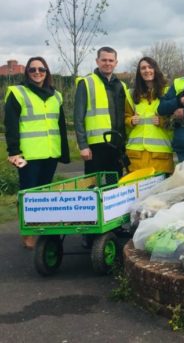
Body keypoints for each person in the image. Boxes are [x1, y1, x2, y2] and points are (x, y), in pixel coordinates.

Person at [4, 57, 69, 249]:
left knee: (43, 192)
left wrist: (63, 152)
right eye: (32, 69)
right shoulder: (17, 93)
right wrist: (13, 151)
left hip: (50, 153)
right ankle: (28, 232)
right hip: (27, 155)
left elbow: (61, 125)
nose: (37, 72)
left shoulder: (56, 95)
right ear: (27, 72)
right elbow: (11, 125)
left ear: (47, 72)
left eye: (41, 69)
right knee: (28, 194)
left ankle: (41, 225)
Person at [74, 46, 129, 180]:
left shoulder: (121, 85)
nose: (107, 63)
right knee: (92, 186)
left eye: (111, 60)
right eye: (104, 60)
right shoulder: (86, 83)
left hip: (117, 144)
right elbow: (78, 118)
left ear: (116, 63)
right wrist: (83, 146)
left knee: (115, 187)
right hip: (95, 147)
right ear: (97, 61)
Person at [124, 57, 174, 173]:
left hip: (160, 156)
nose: (147, 70)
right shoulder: (131, 94)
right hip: (136, 155)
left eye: (150, 67)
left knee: (160, 190)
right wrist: (130, 120)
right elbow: (125, 117)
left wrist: (162, 121)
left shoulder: (167, 92)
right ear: (139, 72)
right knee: (137, 190)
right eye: (143, 68)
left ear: (155, 69)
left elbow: (176, 120)